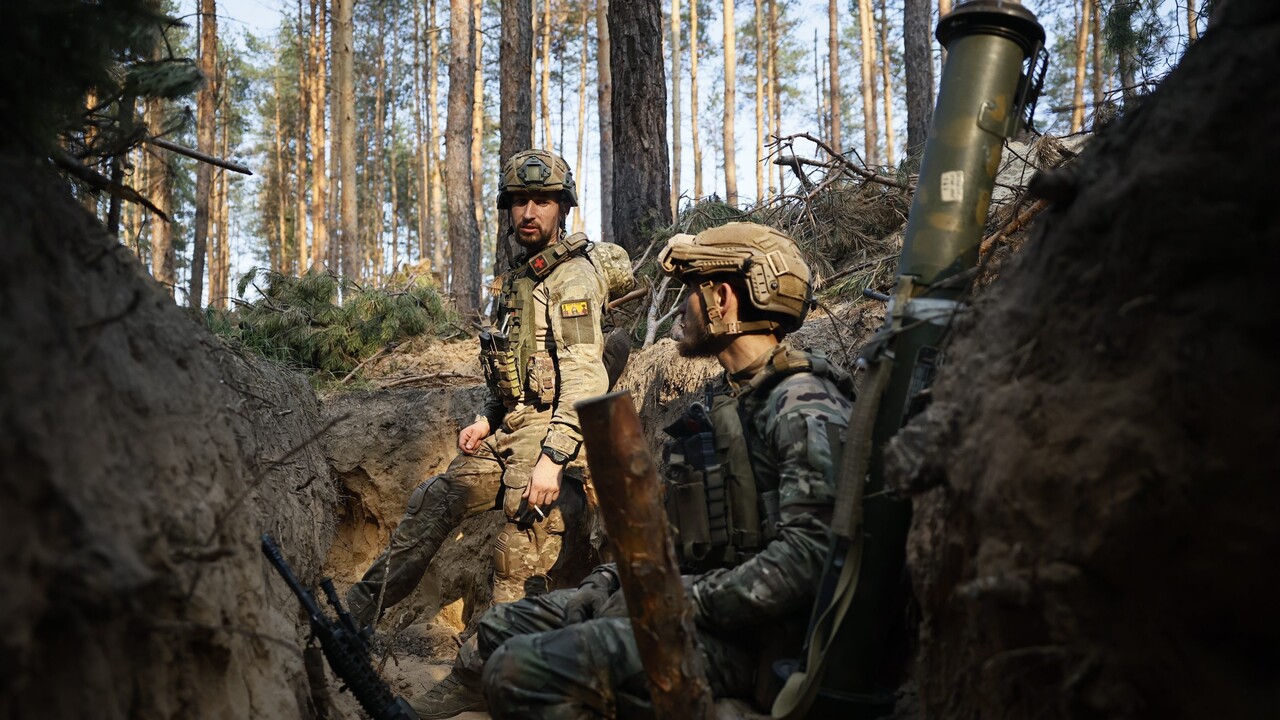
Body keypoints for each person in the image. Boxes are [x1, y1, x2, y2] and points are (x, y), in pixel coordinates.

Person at [409, 222, 855, 719]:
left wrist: (680, 600)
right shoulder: (721, 402)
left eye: (690, 292)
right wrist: (603, 588)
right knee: (501, 628)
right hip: (692, 611)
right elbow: (669, 541)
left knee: (516, 670)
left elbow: (810, 560)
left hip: (748, 642)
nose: (681, 310)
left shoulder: (803, 405)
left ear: (722, 298)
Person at [346, 149, 611, 631]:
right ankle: (350, 618)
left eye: (542, 201)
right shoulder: (519, 282)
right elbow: (514, 370)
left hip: (557, 431)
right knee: (433, 500)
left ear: (563, 208)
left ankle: (491, 665)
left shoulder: (572, 277)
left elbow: (584, 376)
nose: (529, 213)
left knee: (521, 527)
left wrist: (552, 461)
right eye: (518, 202)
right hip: (512, 425)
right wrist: (488, 418)